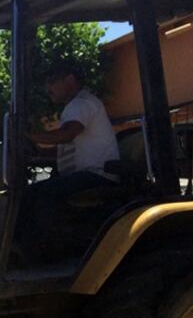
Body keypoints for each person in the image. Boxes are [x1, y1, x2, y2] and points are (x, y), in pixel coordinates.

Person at [20, 60, 120, 259]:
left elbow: (67, 135)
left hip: (97, 176)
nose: (47, 87)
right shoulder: (74, 107)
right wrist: (34, 153)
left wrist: (28, 136)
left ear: (70, 80)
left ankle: (42, 254)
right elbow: (67, 147)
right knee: (32, 191)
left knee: (38, 195)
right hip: (85, 175)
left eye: (52, 80)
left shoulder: (82, 103)